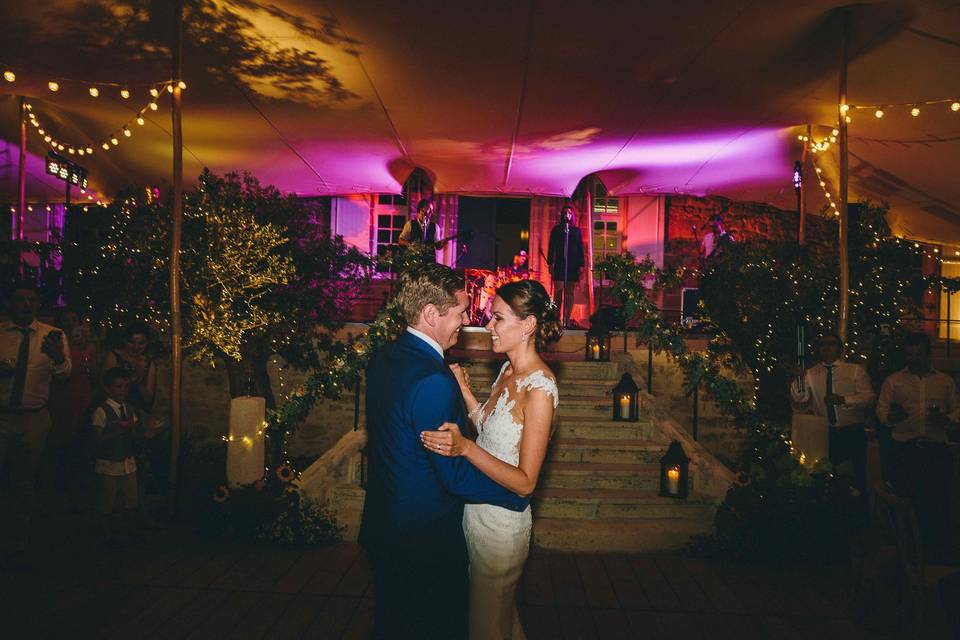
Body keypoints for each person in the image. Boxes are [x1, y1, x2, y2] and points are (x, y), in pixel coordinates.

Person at [358, 263, 529, 640]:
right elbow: (451, 474)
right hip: (424, 541)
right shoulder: (433, 380)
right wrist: (514, 494)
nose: (466, 321)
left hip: (383, 526)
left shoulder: (386, 357)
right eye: (460, 312)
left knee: (391, 625)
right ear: (431, 314)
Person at [422, 279, 562, 640]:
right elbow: (490, 427)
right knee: (502, 619)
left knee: (485, 628)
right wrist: (466, 391)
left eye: (497, 318)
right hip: (477, 515)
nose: (487, 327)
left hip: (502, 528)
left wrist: (465, 448)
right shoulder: (508, 370)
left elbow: (526, 481)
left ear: (527, 325)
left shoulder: (540, 389)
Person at [0, 282, 71, 568]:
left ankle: (16, 544)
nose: (26, 304)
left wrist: (57, 359)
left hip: (33, 418)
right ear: (11, 303)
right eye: (20, 299)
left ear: (37, 304)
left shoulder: (52, 335)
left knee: (23, 482)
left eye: (31, 299)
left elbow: (65, 374)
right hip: (2, 413)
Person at [876, 332, 956, 563]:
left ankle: (935, 555)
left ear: (927, 354)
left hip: (935, 449)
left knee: (937, 502)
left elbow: (956, 408)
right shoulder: (894, 381)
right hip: (905, 449)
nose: (913, 359)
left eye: (918, 354)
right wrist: (891, 416)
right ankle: (906, 553)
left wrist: (947, 419)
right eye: (910, 354)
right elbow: (881, 411)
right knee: (904, 502)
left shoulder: (944, 381)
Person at [790, 333, 875, 491]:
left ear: (840, 349)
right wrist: (800, 379)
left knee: (855, 481)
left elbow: (868, 397)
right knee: (825, 480)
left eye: (832, 344)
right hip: (825, 435)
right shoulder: (812, 373)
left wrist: (843, 400)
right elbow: (801, 399)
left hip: (852, 433)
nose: (827, 347)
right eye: (823, 344)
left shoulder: (854, 370)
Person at [91, 367, 145, 547]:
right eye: (119, 387)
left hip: (128, 462)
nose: (123, 391)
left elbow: (136, 433)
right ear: (108, 389)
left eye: (126, 387)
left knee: (131, 500)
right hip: (108, 464)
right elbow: (97, 438)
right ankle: (106, 535)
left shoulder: (129, 409)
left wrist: (144, 432)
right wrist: (119, 431)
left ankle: (127, 533)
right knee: (107, 501)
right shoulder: (102, 411)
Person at [102, 321, 157, 413]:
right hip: (112, 410)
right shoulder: (113, 356)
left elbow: (148, 400)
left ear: (147, 343)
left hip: (137, 411)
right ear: (125, 341)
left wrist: (138, 380)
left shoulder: (149, 364)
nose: (136, 347)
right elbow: (103, 388)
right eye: (132, 342)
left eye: (141, 343)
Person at [546, 204, 584, 328]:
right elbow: (551, 247)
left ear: (572, 215)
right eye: (564, 212)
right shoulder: (557, 230)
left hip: (572, 265)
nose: (566, 214)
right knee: (558, 292)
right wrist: (550, 262)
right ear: (561, 215)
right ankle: (556, 318)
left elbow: (580, 249)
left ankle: (566, 320)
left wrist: (581, 264)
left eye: (569, 212)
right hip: (560, 265)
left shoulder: (576, 231)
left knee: (569, 293)